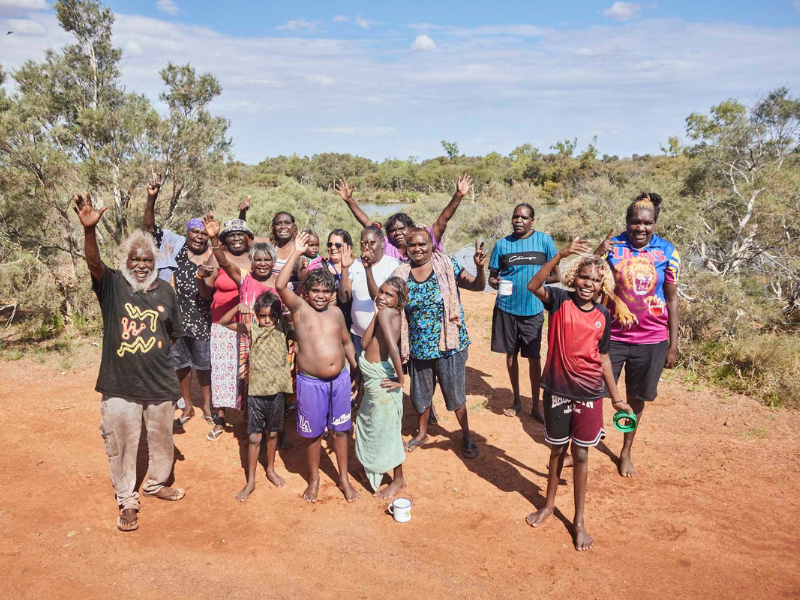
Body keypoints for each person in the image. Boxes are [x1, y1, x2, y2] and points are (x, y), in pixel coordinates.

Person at [73, 192, 185, 532]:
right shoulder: (112, 286)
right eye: (135, 259)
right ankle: (127, 500)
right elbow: (94, 262)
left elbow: (174, 334)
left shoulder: (166, 291)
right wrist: (90, 231)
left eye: (147, 260)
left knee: (163, 438)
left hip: (160, 383)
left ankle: (154, 484)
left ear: (155, 262)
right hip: (119, 384)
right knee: (121, 442)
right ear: (126, 261)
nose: (141, 264)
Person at [525, 238, 633, 551]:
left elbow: (604, 359)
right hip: (557, 390)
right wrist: (559, 254)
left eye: (596, 280)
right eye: (584, 277)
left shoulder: (603, 315)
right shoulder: (559, 299)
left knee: (582, 454)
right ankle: (548, 505)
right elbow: (534, 285)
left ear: (603, 285)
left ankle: (579, 520)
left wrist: (615, 398)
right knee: (557, 451)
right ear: (575, 277)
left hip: (590, 393)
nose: (589, 283)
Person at [595, 193, 680, 477]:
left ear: (654, 223)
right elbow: (586, 278)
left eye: (647, 223)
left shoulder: (667, 251)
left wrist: (673, 344)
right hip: (612, 337)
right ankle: (584, 443)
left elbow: (671, 299)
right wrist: (598, 250)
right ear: (627, 222)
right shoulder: (613, 247)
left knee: (636, 397)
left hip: (652, 340)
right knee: (593, 392)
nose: (640, 228)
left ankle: (626, 450)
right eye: (635, 222)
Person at [275, 231, 362, 503]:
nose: (321, 296)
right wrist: (297, 252)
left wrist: (355, 368)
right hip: (311, 382)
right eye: (316, 290)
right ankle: (314, 479)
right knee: (313, 434)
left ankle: (344, 479)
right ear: (305, 291)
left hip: (339, 381)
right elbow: (279, 286)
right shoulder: (300, 309)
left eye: (326, 291)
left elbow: (347, 342)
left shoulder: (336, 313)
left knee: (340, 430)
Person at [394, 229, 486, 458]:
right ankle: (422, 432)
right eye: (412, 244)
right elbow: (387, 300)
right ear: (406, 247)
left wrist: (480, 267)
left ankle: (466, 434)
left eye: (422, 244)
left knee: (455, 393)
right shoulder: (401, 273)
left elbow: (477, 286)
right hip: (418, 346)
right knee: (421, 393)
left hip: (449, 344)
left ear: (432, 245)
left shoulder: (447, 265)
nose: (417, 248)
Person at [142, 175, 214, 428]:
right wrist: (151, 198)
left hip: (203, 317)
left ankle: (207, 405)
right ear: (187, 232)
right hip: (175, 317)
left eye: (204, 233)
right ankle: (188, 405)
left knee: (204, 365)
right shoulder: (175, 245)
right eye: (195, 232)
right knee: (180, 364)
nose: (199, 237)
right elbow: (150, 228)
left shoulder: (212, 254)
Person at [488, 203, 559, 421]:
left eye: (524, 217)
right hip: (506, 308)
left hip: (533, 309)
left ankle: (535, 405)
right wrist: (495, 282)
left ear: (532, 221)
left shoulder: (544, 241)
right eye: (516, 217)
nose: (519, 220)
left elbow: (556, 276)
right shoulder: (502, 245)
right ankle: (517, 400)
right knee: (511, 355)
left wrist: (536, 283)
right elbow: (492, 277)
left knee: (534, 358)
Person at [219, 293, 293, 501]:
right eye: (262, 316)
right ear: (256, 316)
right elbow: (224, 322)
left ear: (278, 316)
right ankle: (250, 480)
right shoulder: (252, 329)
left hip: (277, 391)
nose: (267, 320)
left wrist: (287, 314)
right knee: (254, 436)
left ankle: (270, 469)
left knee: (272, 434)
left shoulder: (283, 329)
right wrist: (237, 307)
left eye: (271, 316)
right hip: (256, 393)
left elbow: (299, 323)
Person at [199, 218, 254, 440]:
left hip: (249, 323)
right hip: (221, 321)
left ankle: (250, 414)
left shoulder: (255, 257)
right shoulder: (216, 256)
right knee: (222, 369)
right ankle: (221, 416)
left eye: (241, 234)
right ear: (224, 239)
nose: (236, 238)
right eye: (231, 235)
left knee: (248, 370)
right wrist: (200, 278)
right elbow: (205, 293)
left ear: (248, 238)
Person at [355, 277, 408, 499]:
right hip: (375, 377)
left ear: (400, 300)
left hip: (381, 378)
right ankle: (381, 467)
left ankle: (398, 479)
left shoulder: (388, 314)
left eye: (389, 295)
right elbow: (366, 343)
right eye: (382, 292)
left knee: (386, 429)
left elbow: (394, 349)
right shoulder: (385, 314)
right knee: (378, 424)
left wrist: (401, 378)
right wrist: (376, 315)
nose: (382, 297)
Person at [336, 175, 472, 260]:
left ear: (412, 229)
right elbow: (367, 223)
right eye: (392, 231)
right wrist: (349, 200)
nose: (397, 233)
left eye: (401, 228)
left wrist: (459, 195)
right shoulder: (387, 246)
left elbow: (443, 220)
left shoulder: (425, 239)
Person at [338, 225, 401, 357]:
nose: (367, 247)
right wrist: (344, 269)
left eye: (372, 243)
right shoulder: (354, 264)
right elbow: (344, 298)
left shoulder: (394, 265)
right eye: (363, 243)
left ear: (382, 242)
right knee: (359, 375)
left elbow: (378, 299)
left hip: (382, 336)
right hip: (357, 334)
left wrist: (368, 269)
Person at [301, 229, 355, 333]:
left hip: (350, 326)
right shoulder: (319, 266)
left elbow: (346, 298)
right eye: (330, 244)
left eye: (338, 245)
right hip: (323, 325)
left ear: (348, 248)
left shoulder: (356, 267)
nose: (333, 248)